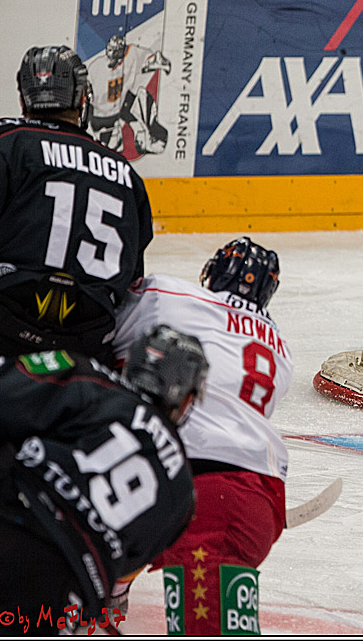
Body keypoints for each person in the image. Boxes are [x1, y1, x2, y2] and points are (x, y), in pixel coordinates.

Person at [110, 237, 294, 635]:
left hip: (206, 494)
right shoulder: (278, 346)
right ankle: (118, 581)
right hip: (253, 496)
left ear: (212, 273)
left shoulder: (167, 295)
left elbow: (99, 328)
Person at [0, 325, 208, 636]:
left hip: (10, 515)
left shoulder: (91, 379)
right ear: (186, 399)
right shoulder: (183, 493)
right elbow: (123, 573)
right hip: (62, 594)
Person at [0, 45, 154, 367]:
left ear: (25, 99)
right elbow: (132, 277)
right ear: (82, 98)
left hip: (2, 326)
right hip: (87, 342)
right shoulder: (124, 172)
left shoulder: (3, 142)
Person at [85, 34, 171, 156]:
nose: (111, 59)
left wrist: (159, 62)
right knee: (108, 151)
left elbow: (152, 58)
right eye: (109, 52)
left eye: (115, 54)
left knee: (115, 151)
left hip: (116, 114)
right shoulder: (96, 66)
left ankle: (144, 133)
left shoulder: (132, 55)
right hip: (99, 119)